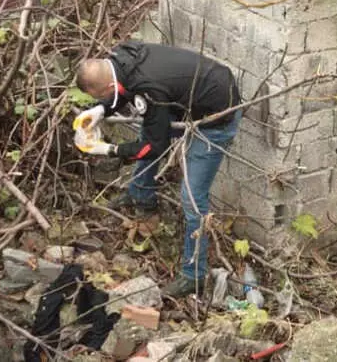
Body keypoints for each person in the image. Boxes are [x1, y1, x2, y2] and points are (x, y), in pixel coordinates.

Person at [72, 41, 241, 298]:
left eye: (99, 97)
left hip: (217, 115)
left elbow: (154, 147)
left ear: (107, 86)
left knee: (192, 197)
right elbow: (124, 88)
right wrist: (102, 109)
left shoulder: (148, 88)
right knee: (150, 127)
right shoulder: (122, 55)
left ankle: (193, 275)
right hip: (188, 98)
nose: (102, 99)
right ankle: (141, 193)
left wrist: (109, 149)